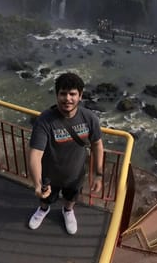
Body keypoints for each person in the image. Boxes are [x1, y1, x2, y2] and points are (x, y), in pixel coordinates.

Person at [28, 72, 104, 235]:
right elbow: (35, 154)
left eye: (72, 94)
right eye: (63, 93)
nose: (67, 99)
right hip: (49, 175)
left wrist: (98, 174)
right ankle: (43, 210)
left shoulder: (89, 118)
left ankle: (68, 211)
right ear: (57, 95)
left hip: (75, 174)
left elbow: (97, 144)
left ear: (80, 95)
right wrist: (37, 183)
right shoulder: (45, 120)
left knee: (71, 198)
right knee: (45, 198)